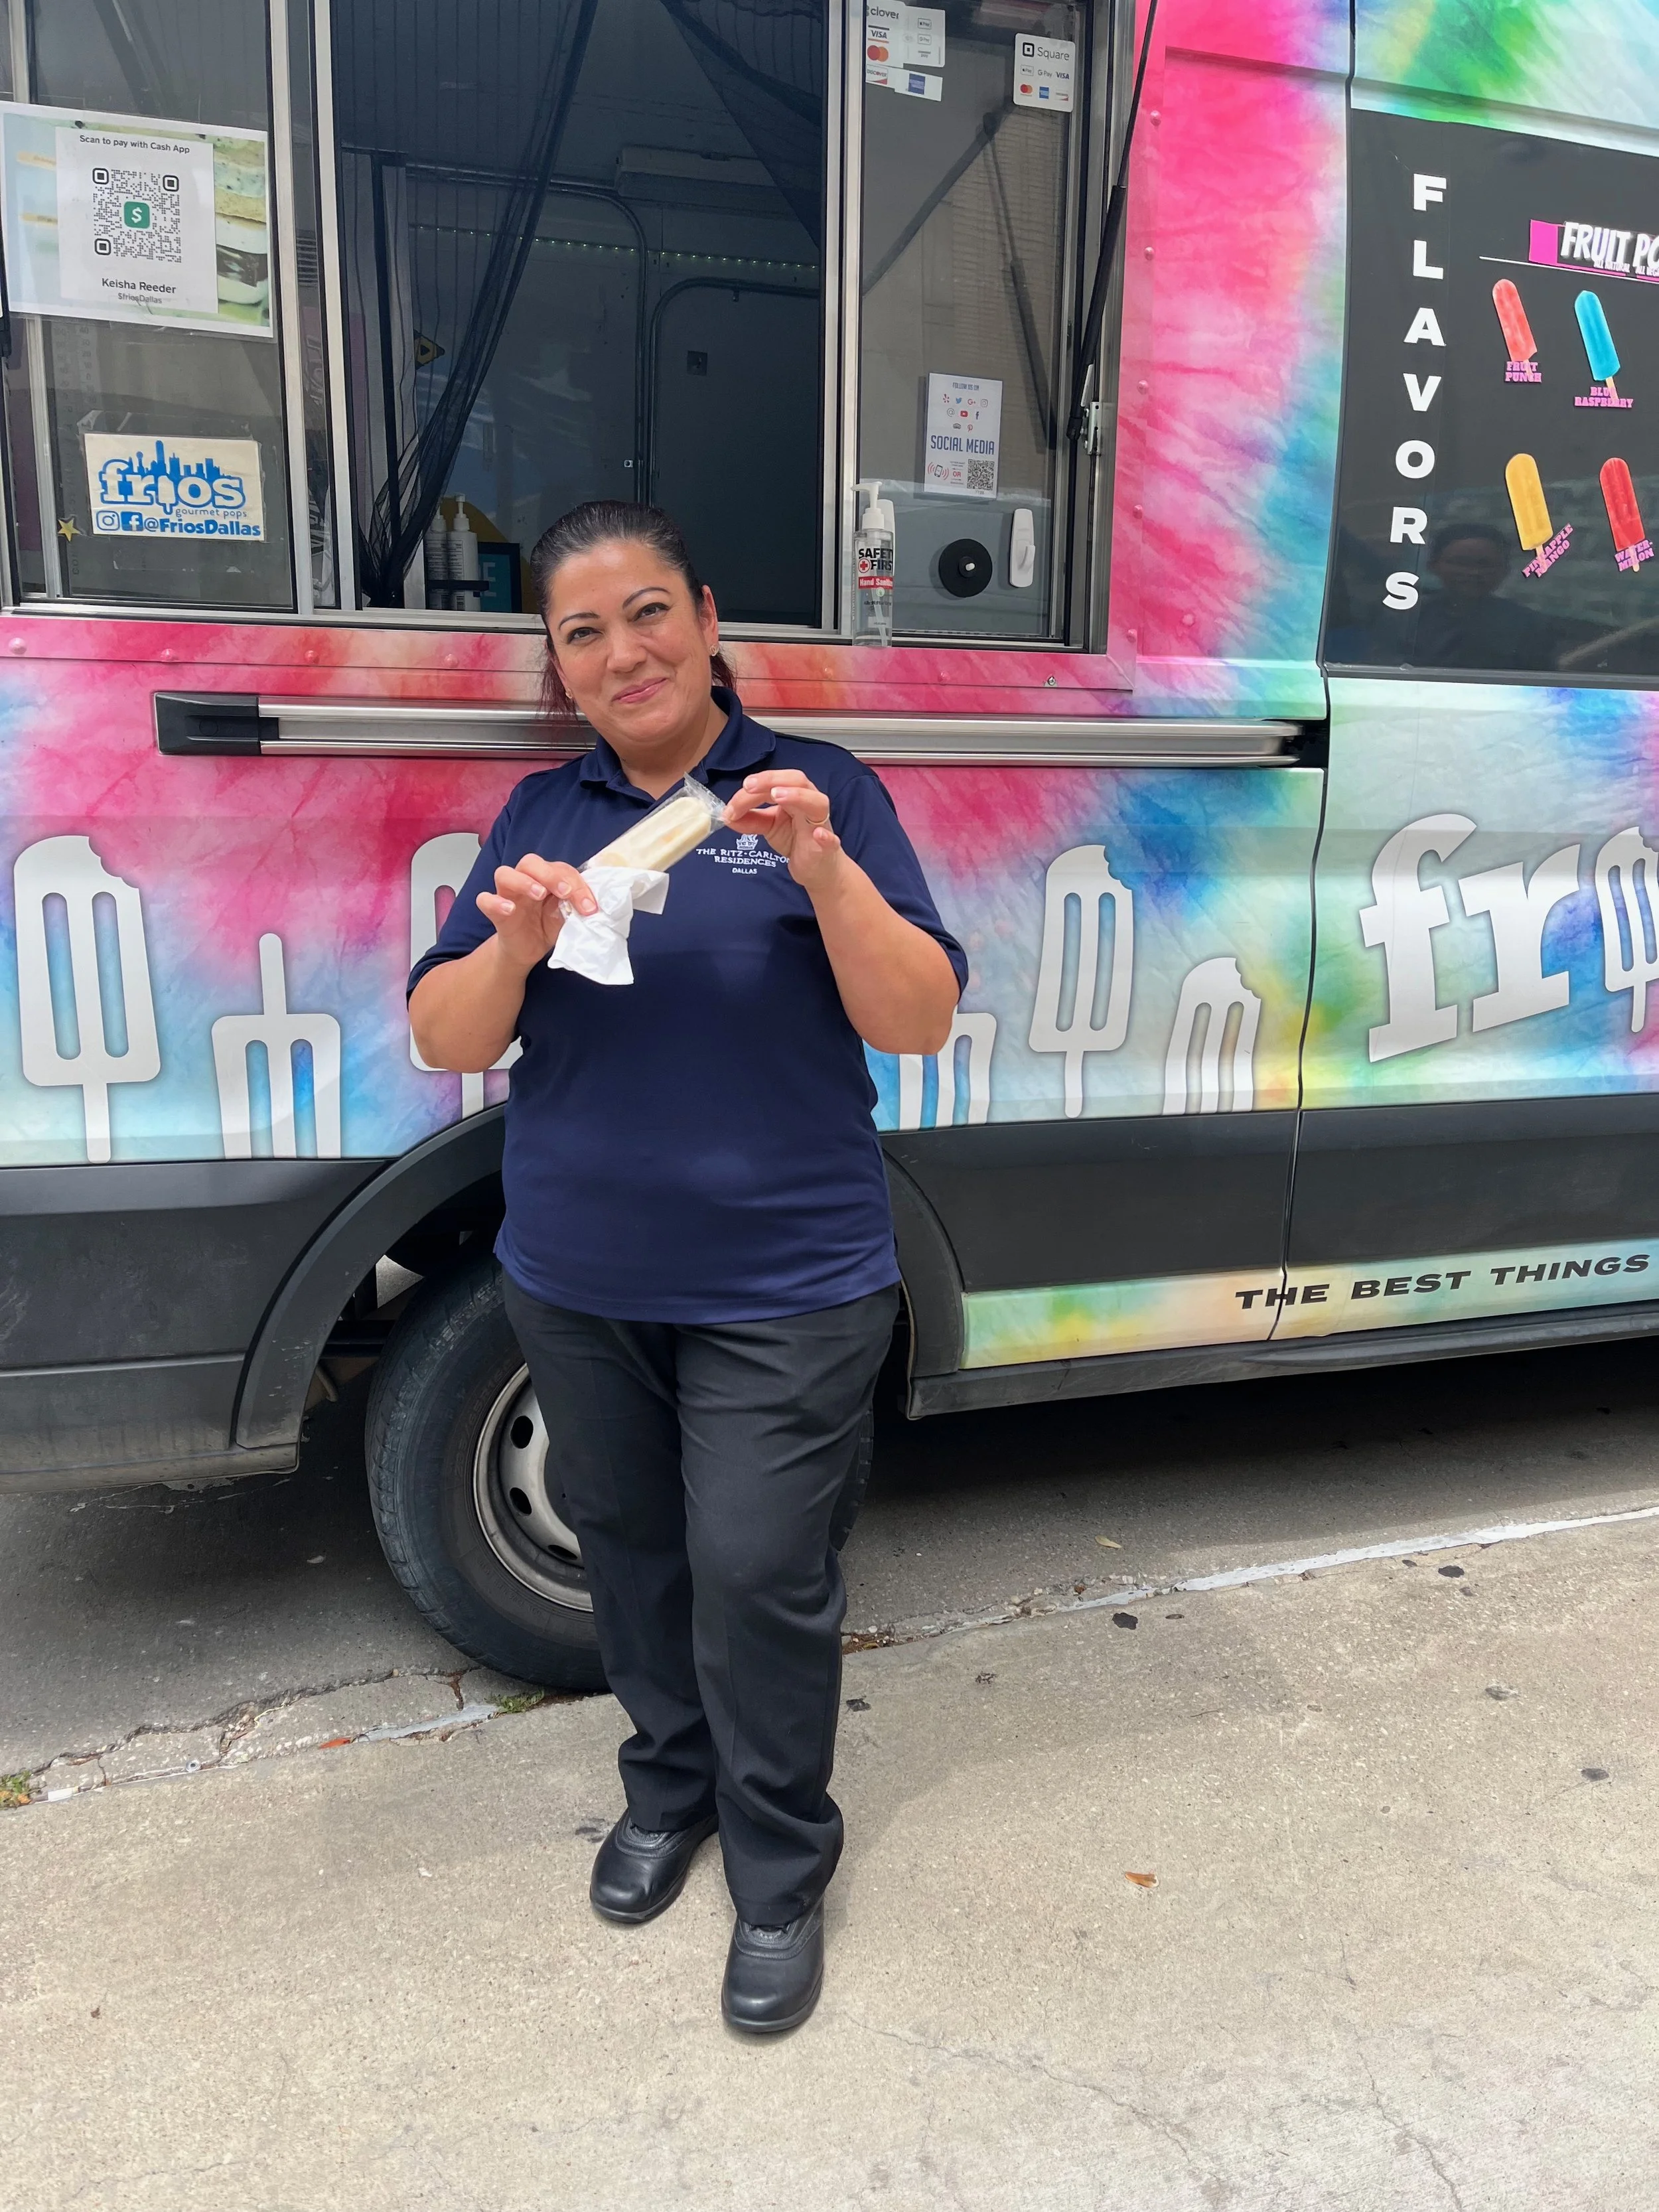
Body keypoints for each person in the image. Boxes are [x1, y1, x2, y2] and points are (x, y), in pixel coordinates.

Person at [407, 500, 966, 2034]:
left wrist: (821, 868)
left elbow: (915, 1016)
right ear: (558, 667)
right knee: (633, 1557)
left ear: (708, 618)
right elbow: (446, 1037)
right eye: (581, 632)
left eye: (645, 612)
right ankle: (666, 1791)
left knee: (756, 1569)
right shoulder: (540, 812)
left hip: (790, 1278)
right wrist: (512, 942)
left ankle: (779, 1867)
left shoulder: (817, 790)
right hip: (579, 1274)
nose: (620, 651)